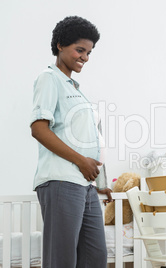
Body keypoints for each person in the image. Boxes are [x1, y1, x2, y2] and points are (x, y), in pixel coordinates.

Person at [30, 16, 112, 268]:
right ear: (60, 46)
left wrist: (99, 183)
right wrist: (80, 162)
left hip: (84, 186)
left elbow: (87, 140)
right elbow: (39, 129)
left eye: (88, 52)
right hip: (61, 181)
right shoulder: (49, 79)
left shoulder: (75, 88)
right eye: (80, 50)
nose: (85, 57)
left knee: (95, 257)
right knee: (62, 260)